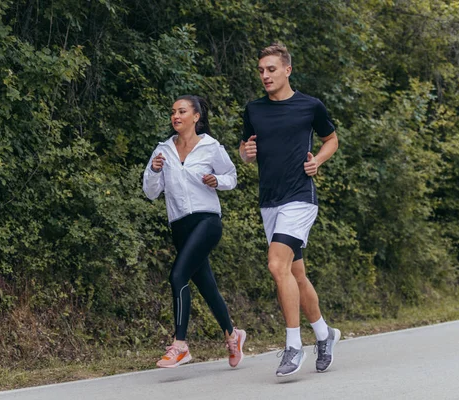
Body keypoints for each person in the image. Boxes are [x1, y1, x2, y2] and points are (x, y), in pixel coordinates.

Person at [239, 43, 341, 377]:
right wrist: (246, 153)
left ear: (287, 70)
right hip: (269, 200)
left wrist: (318, 161)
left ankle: (294, 345)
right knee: (295, 274)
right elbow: (244, 148)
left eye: (271, 69)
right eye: (261, 71)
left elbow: (331, 139)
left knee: (275, 263)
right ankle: (325, 335)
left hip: (300, 197)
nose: (265, 76)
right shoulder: (254, 109)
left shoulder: (310, 106)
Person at [143, 95, 246, 369]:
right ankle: (233, 335)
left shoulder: (211, 147)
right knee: (206, 284)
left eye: (182, 111)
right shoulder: (162, 151)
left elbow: (232, 177)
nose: (176, 116)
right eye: (173, 112)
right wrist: (154, 171)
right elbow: (150, 192)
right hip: (180, 225)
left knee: (178, 275)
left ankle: (180, 345)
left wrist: (217, 180)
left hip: (207, 220)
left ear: (196, 116)